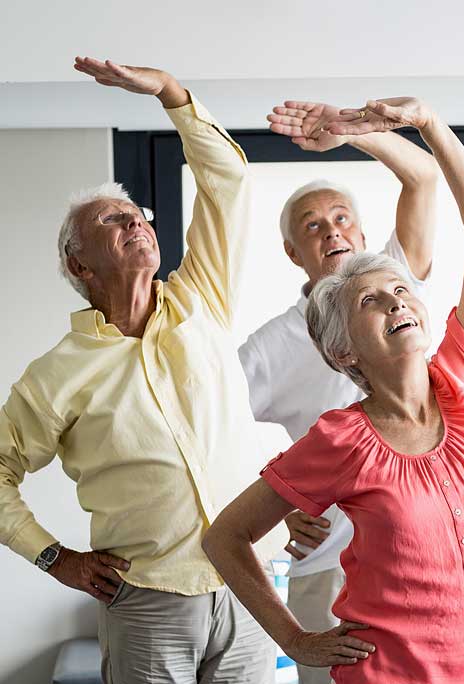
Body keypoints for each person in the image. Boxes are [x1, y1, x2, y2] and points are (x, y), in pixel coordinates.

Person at [202, 96, 464, 684]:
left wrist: (430, 123)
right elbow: (226, 537)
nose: (395, 299)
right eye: (371, 300)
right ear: (344, 351)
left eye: (400, 289)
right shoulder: (340, 438)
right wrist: (296, 638)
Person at [0, 58, 282, 683]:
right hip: (148, 598)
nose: (136, 222)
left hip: (252, 586)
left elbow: (227, 182)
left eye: (139, 217)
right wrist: (54, 558)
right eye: (111, 220)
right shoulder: (55, 376)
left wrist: (172, 94)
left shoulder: (201, 300)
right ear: (79, 267)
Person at [239, 100, 440, 684]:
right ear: (293, 253)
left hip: (419, 557)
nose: (332, 230)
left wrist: (354, 134)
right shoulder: (270, 347)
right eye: (313, 225)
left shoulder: (395, 281)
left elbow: (423, 174)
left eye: (342, 217)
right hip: (329, 573)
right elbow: (206, 434)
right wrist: (279, 506)